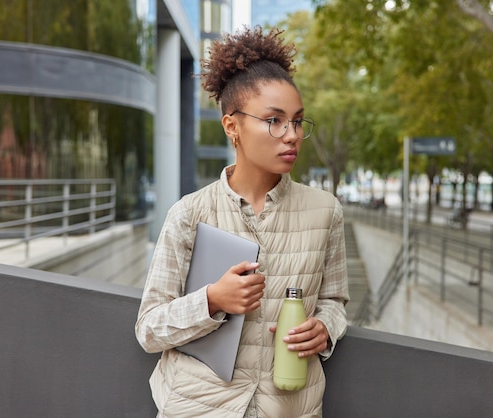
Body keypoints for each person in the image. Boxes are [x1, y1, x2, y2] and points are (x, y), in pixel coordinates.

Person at [135, 25, 350, 418]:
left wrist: (324, 328)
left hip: (289, 407)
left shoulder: (326, 211)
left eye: (298, 122)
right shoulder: (189, 213)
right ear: (232, 126)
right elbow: (149, 328)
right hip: (198, 407)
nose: (292, 136)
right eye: (274, 121)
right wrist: (212, 301)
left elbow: (334, 302)